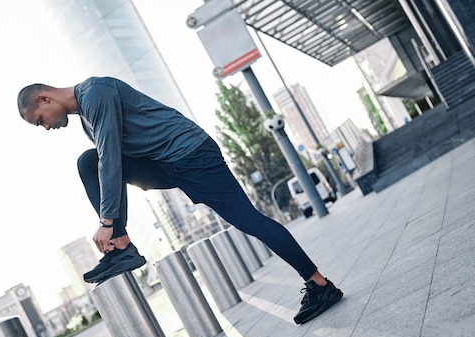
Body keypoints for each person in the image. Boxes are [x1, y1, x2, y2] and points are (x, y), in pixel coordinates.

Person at [17, 76, 342, 324]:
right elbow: (108, 160)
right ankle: (123, 247)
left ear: (44, 98)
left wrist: (106, 221)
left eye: (39, 119)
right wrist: (113, 224)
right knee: (90, 161)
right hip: (165, 163)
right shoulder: (88, 116)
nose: (46, 127)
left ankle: (320, 284)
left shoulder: (95, 93)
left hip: (192, 154)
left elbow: (113, 160)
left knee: (249, 220)